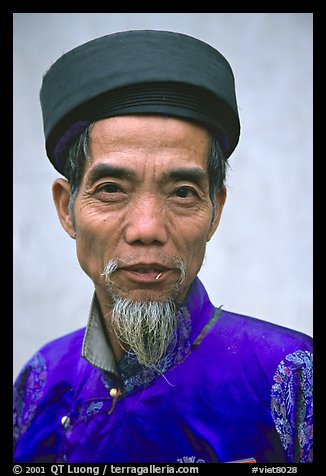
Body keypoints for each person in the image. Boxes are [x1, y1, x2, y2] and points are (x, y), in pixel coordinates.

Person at [13, 30, 313, 464]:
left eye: (184, 192)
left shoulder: (290, 377)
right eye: (112, 188)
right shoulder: (41, 381)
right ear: (67, 208)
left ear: (215, 210)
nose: (148, 229)